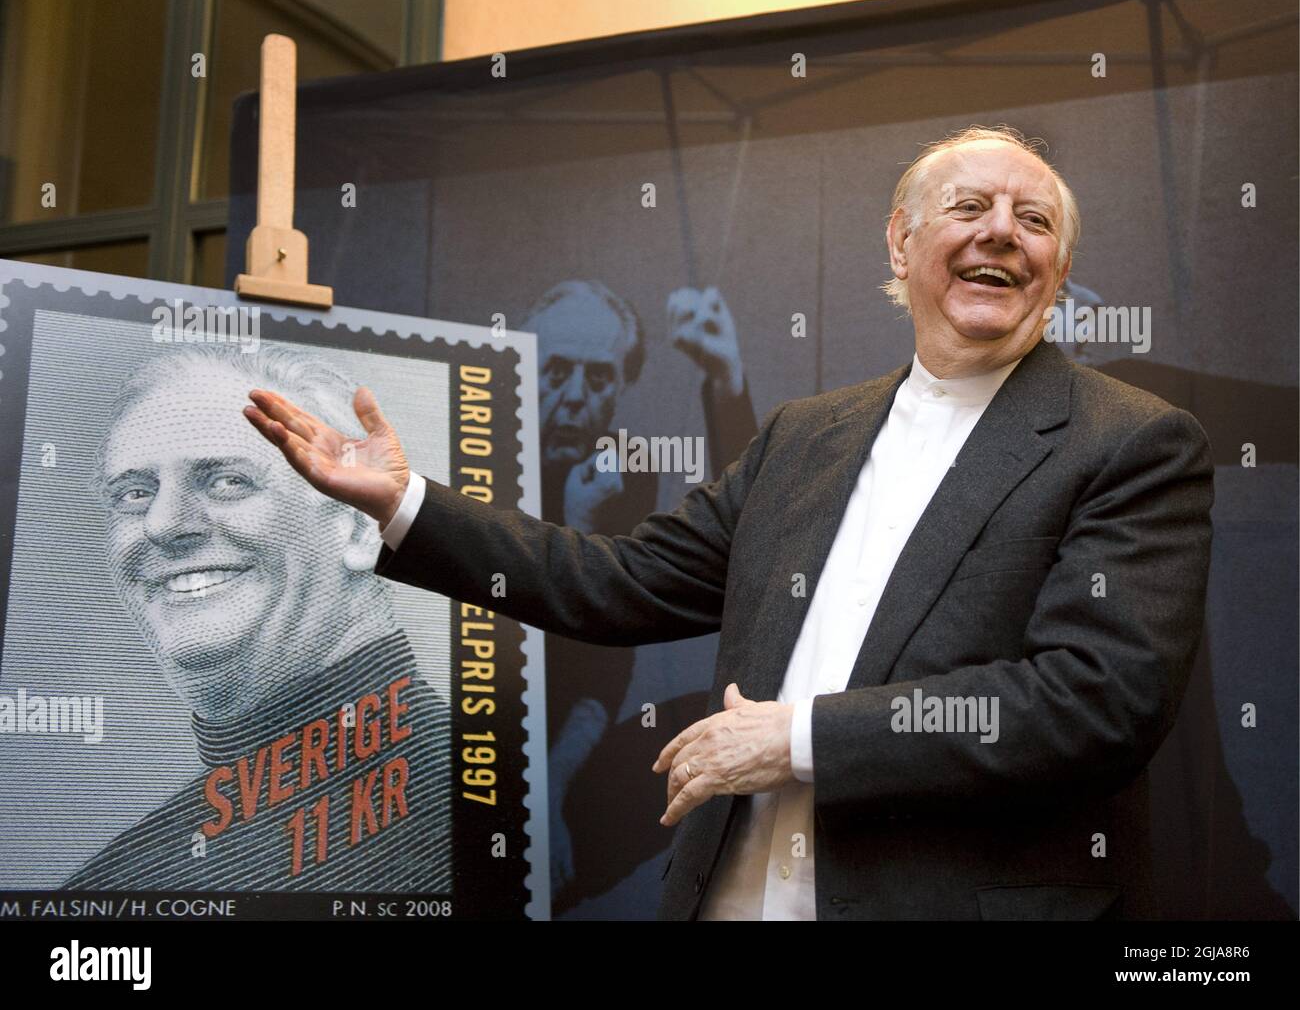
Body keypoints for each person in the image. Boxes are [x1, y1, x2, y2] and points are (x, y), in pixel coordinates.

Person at [244, 125, 1214, 920]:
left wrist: (797, 741)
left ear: (1060, 264)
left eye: (1032, 219)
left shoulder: (1130, 443)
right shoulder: (805, 437)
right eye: (968, 207)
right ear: (899, 242)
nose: (1000, 232)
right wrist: (406, 503)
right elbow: (615, 581)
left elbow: (1094, 700)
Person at [67, 343, 451, 892]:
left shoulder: (482, 811)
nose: (163, 524)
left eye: (227, 482)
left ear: (362, 528)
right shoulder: (116, 883)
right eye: (133, 493)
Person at [518, 278, 756, 907]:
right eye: (557, 371)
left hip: (560, 722)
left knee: (704, 728)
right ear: (520, 367)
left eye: (598, 379)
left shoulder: (618, 466)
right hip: (463, 717)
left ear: (622, 384)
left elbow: (606, 646)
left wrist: (725, 379)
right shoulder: (475, 441)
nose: (574, 398)